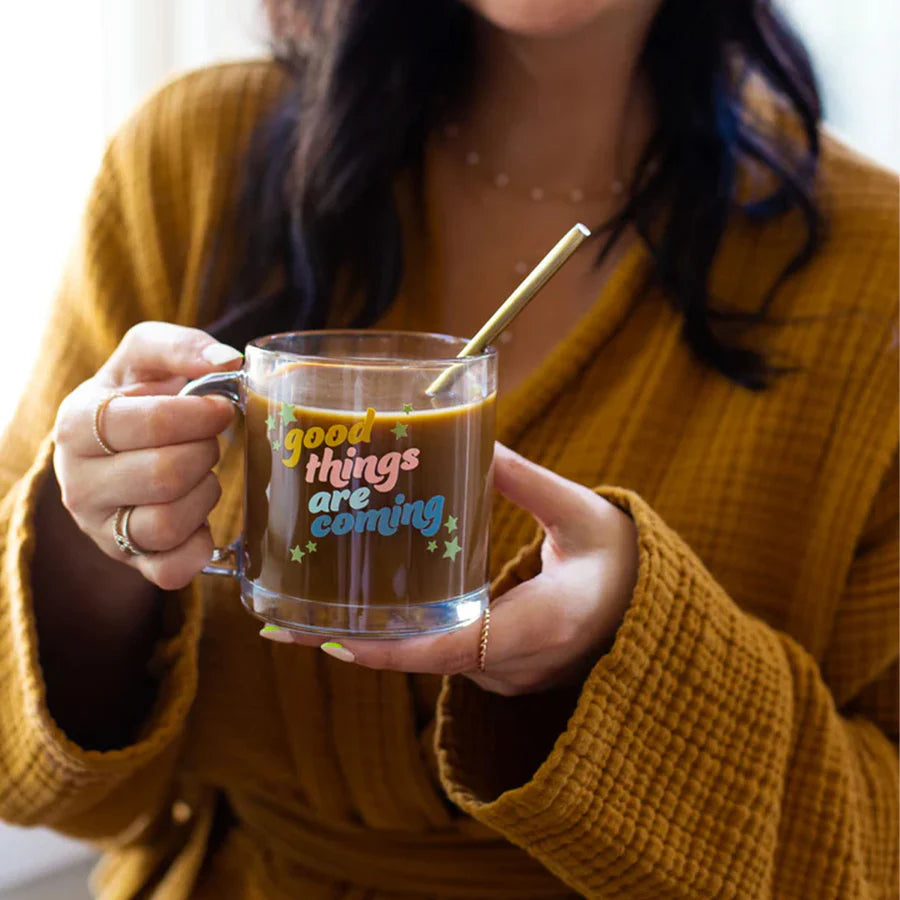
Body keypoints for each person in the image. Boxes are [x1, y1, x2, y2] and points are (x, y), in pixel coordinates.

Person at [0, 0, 896, 896]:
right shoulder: (190, 162)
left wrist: (630, 656)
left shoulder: (875, 276)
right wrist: (100, 548)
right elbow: (25, 777)